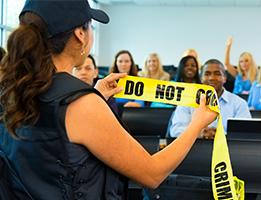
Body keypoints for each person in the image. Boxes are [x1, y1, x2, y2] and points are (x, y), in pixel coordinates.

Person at [0, 1, 217, 198]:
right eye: (91, 27)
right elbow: (153, 173)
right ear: (80, 35)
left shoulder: (13, 91)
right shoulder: (80, 105)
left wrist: (96, 97)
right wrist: (196, 124)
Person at [169, 59, 251, 139]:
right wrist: (200, 134)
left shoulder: (239, 103)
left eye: (217, 74)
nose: (212, 78)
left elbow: (245, 133)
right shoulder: (187, 101)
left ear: (225, 78)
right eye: (207, 74)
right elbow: (175, 130)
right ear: (201, 78)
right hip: (195, 150)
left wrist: (218, 135)